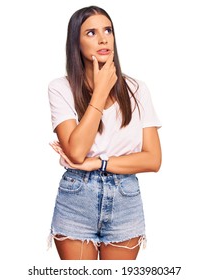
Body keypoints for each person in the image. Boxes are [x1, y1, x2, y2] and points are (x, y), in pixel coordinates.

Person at [47, 5, 162, 260]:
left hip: (125, 197)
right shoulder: (60, 89)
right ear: (75, 42)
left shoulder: (136, 89)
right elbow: (76, 153)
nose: (102, 38)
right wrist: (99, 93)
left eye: (107, 30)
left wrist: (98, 162)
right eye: (90, 33)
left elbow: (153, 159)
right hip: (77, 198)